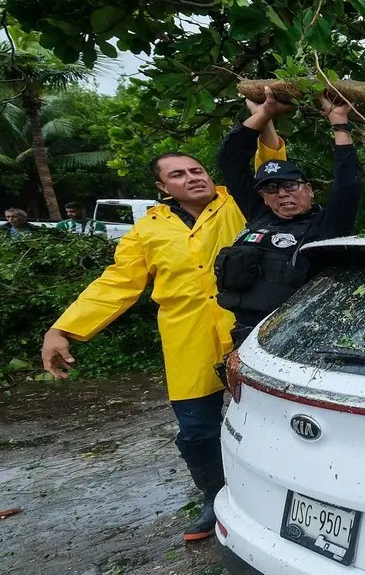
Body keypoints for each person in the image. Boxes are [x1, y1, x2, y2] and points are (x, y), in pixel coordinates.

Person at [40, 111, 286, 543]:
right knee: (196, 431)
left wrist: (263, 118)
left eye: (197, 169)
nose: (192, 177)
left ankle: (282, 497)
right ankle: (215, 496)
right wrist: (63, 330)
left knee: (274, 419)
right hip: (187, 336)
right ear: (161, 187)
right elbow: (117, 284)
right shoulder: (147, 230)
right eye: (178, 174)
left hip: (249, 330)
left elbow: (270, 159)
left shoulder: (239, 201)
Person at [214, 87, 361, 347]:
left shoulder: (327, 225)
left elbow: (348, 183)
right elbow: (230, 160)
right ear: (262, 195)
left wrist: (338, 120)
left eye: (291, 185)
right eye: (271, 188)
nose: (282, 194)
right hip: (246, 339)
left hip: (300, 339)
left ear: (309, 189)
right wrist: (263, 114)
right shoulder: (259, 214)